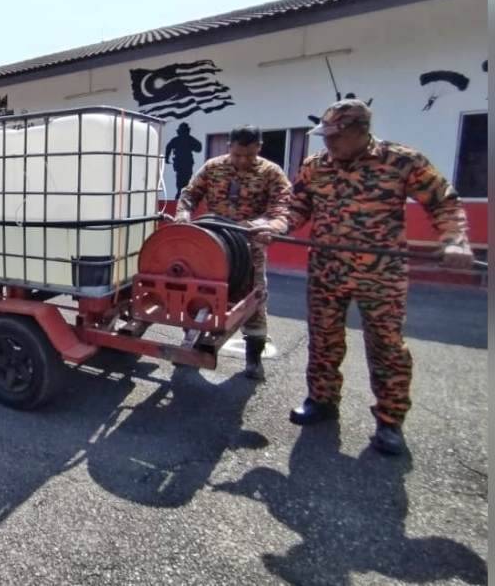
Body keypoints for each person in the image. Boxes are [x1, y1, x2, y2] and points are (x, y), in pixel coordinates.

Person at [252, 99, 473, 455]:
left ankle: (390, 421)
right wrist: (275, 225)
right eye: (324, 136)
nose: (329, 144)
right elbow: (296, 207)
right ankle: (321, 401)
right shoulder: (316, 165)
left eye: (335, 137)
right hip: (327, 268)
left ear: (360, 131)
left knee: (387, 348)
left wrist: (455, 241)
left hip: (381, 274)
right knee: (323, 340)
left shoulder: (401, 160)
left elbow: (444, 202)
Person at [174, 125, 291, 380]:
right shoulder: (213, 166)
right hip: (212, 244)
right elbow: (189, 194)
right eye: (237, 155)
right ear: (230, 147)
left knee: (253, 300)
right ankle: (191, 345)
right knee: (198, 293)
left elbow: (283, 210)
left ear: (258, 148)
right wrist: (183, 214)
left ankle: (253, 360)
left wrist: (268, 227)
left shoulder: (272, 173)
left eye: (249, 156)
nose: (242, 161)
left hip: (250, 246)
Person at [165, 122, 203, 199]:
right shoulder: (187, 139)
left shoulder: (179, 139)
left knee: (184, 180)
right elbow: (168, 148)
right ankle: (181, 195)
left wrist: (167, 158)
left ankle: (182, 194)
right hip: (184, 163)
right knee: (184, 180)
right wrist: (166, 158)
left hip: (184, 164)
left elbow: (199, 147)